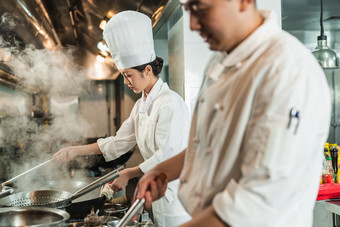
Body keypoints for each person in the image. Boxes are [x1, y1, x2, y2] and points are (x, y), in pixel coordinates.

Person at [134, 0, 331, 226]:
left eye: (200, 9)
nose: (192, 25)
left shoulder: (286, 69)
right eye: (188, 10)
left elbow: (256, 203)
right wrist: (163, 170)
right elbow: (209, 145)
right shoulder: (220, 60)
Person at [52, 11, 191, 227]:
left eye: (128, 75)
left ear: (147, 70)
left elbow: (165, 157)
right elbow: (119, 142)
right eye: (124, 75)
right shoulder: (141, 105)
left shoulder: (171, 104)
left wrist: (129, 172)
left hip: (177, 203)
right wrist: (75, 150)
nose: (126, 82)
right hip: (156, 198)